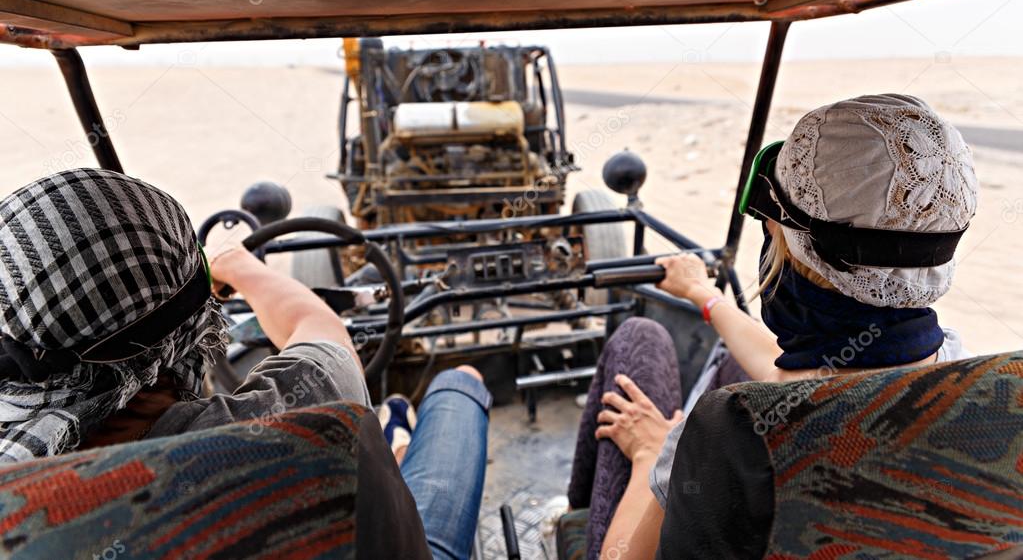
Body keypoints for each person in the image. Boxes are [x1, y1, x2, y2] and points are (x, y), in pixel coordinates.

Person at [0, 167, 489, 560]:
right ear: (188, 333)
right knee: (458, 384)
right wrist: (239, 266)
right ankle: (402, 422)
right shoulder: (306, 423)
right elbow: (318, 327)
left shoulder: (16, 498)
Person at [567, 94, 977, 559]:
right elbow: (795, 380)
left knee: (639, 339)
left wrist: (649, 456)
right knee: (728, 363)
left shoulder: (724, 436)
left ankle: (569, 521)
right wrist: (707, 299)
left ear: (792, 244)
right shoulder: (972, 376)